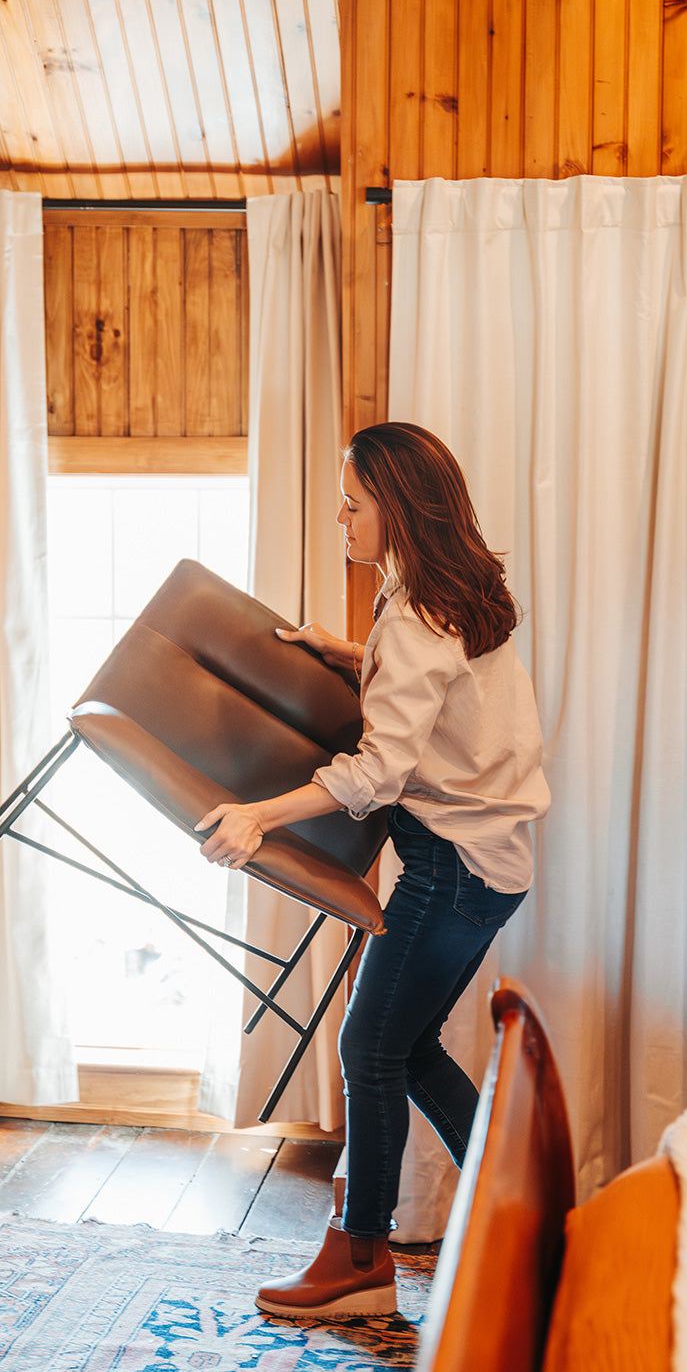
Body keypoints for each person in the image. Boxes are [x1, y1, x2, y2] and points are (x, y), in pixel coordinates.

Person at [195, 422, 550, 1319]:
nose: (340, 519)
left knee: (369, 1047)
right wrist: (350, 655)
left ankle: (360, 1260)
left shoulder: (418, 616)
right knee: (405, 1046)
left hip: (452, 864)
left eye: (352, 505)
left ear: (396, 508)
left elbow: (377, 772)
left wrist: (256, 815)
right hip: (487, 861)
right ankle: (521, 1228)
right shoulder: (451, 591)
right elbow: (438, 693)